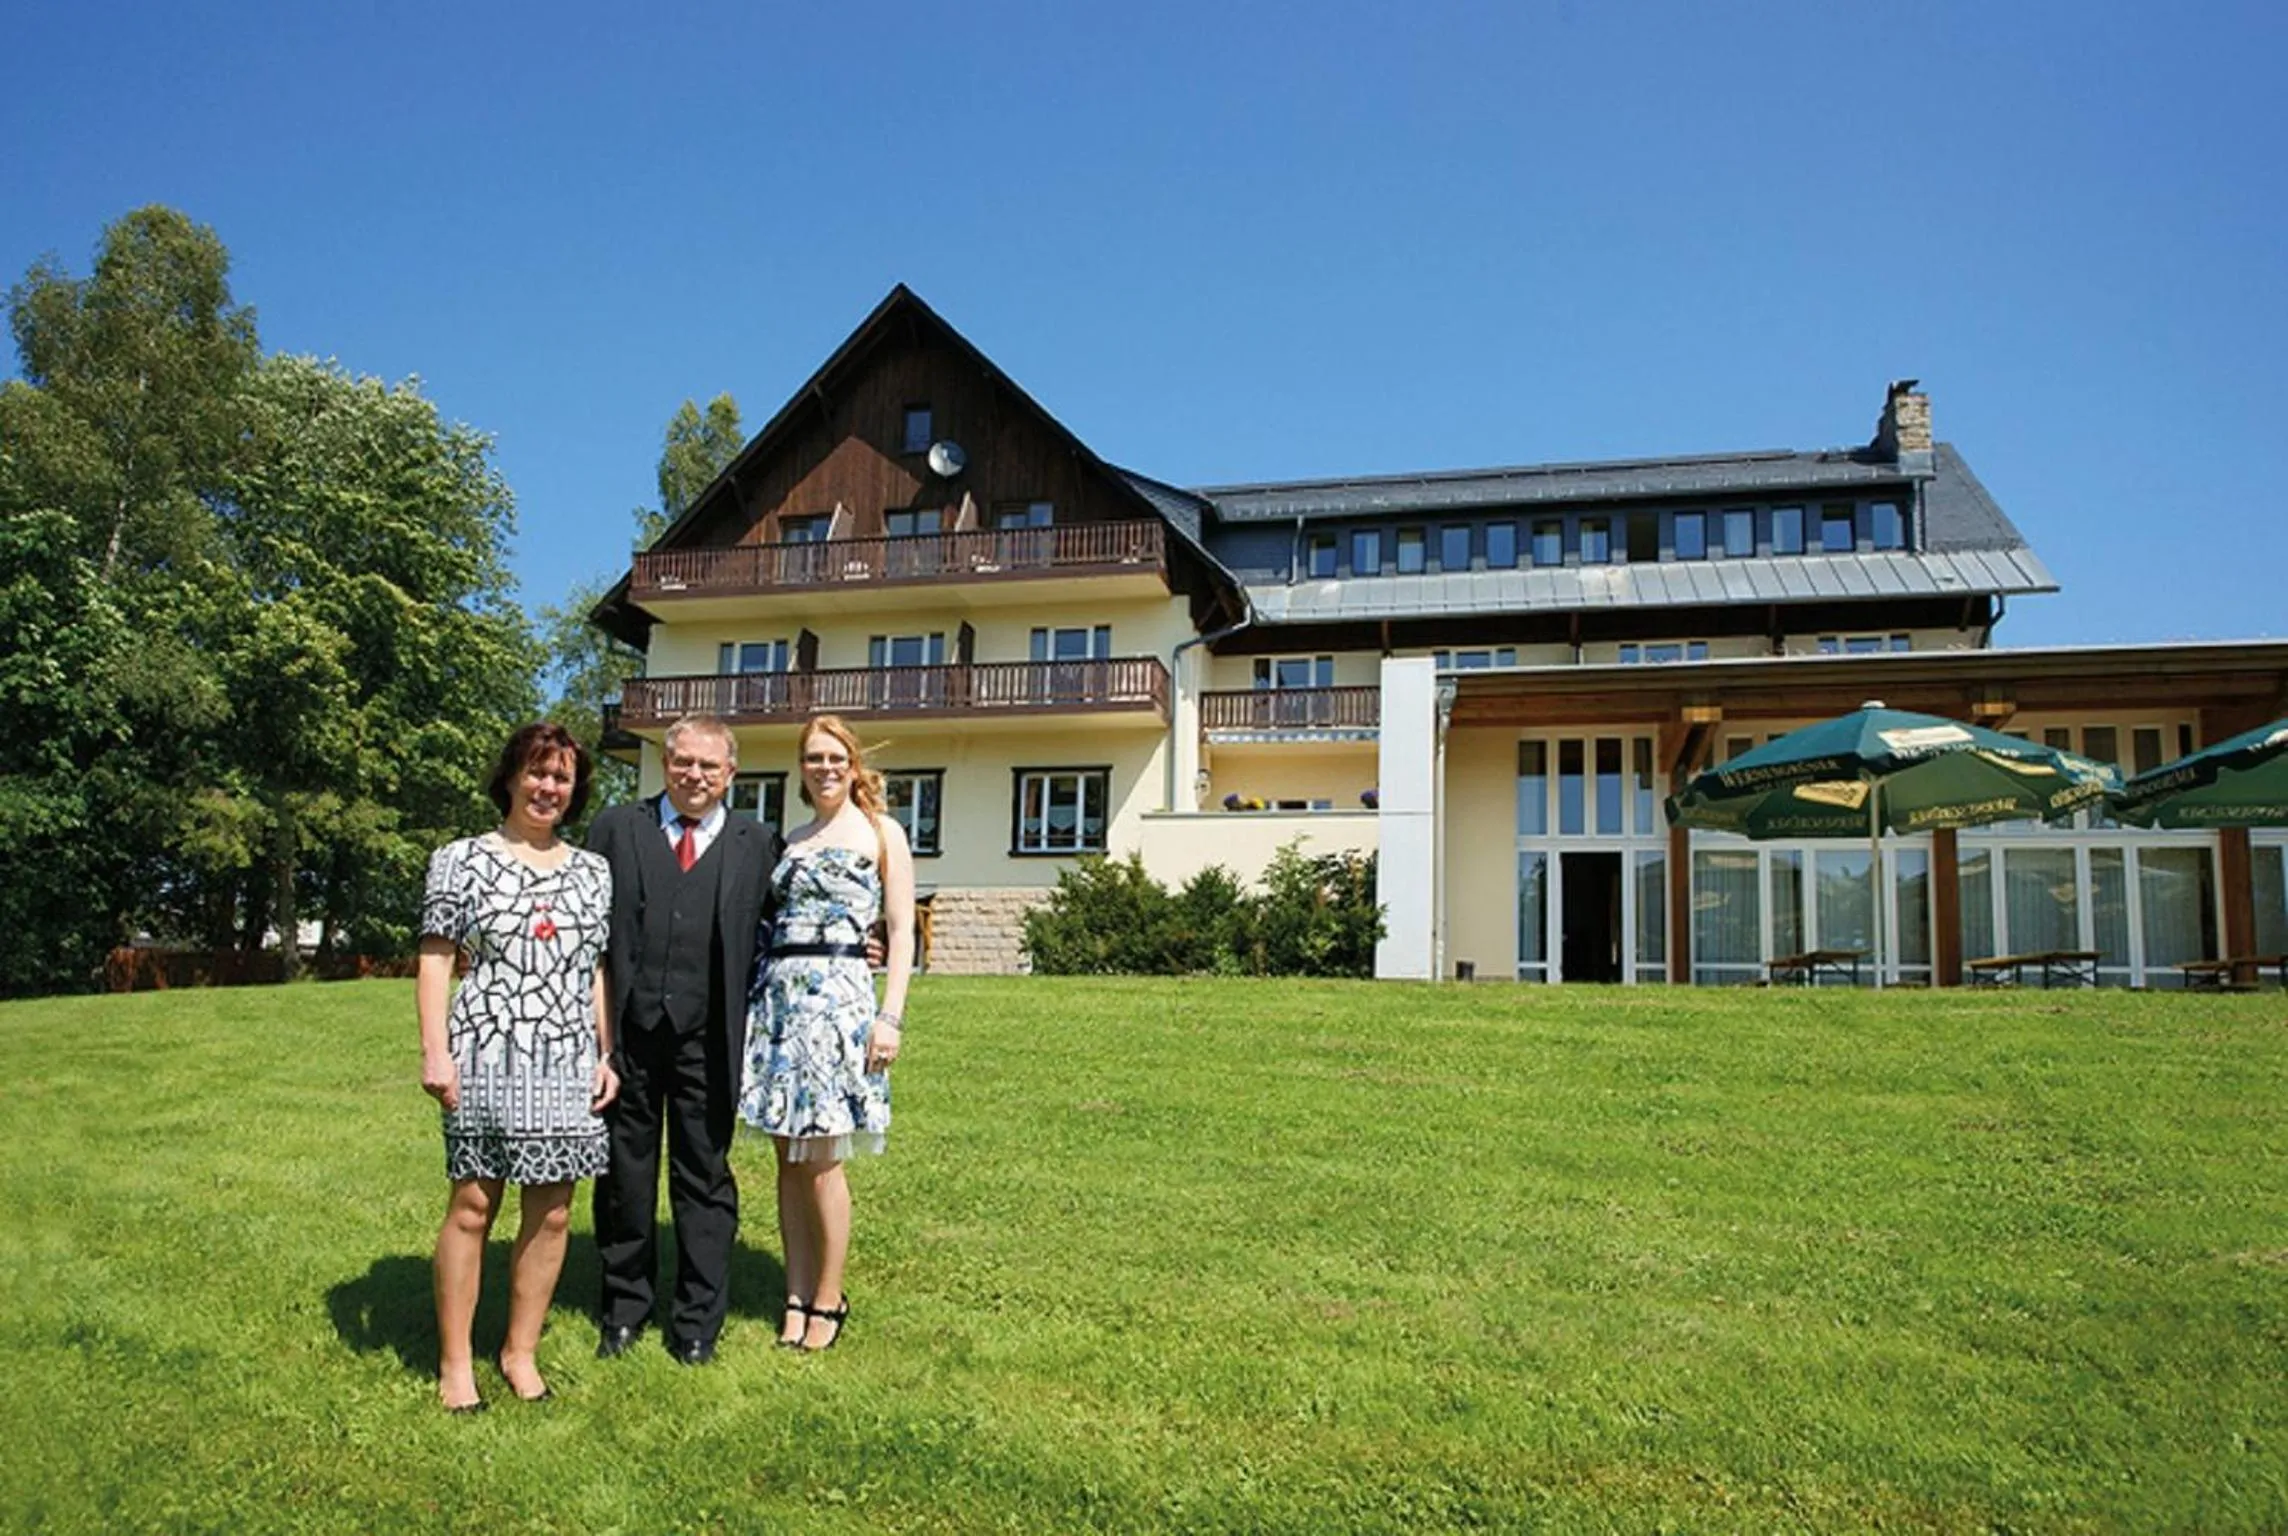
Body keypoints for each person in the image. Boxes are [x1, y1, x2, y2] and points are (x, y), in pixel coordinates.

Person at [418, 722, 617, 1413]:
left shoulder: (594, 871)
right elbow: (437, 956)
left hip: (566, 1056)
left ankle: (519, 1350)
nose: (547, 788)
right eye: (536, 772)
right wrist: (435, 1050)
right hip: (484, 1049)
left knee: (555, 1212)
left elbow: (594, 967)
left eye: (560, 777)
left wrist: (607, 1051)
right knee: (474, 1204)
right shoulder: (460, 860)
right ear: (509, 777)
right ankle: (454, 1362)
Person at [586, 713, 779, 1365]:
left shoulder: (759, 844)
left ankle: (698, 1320)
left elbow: (788, 929)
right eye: (683, 762)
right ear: (665, 764)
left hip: (710, 1039)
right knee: (624, 1178)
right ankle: (624, 1309)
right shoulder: (617, 829)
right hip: (630, 1040)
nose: (694, 775)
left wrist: (859, 942)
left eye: (709, 765)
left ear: (731, 773)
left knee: (704, 1179)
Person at [740, 713, 916, 1352]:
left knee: (823, 1162)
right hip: (780, 1006)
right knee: (787, 1160)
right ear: (802, 767)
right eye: (814, 758)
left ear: (853, 763)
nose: (825, 768)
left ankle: (829, 1296)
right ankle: (794, 1292)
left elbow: (901, 930)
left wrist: (889, 1015)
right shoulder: (792, 838)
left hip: (839, 1004)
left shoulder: (881, 832)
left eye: (836, 757)